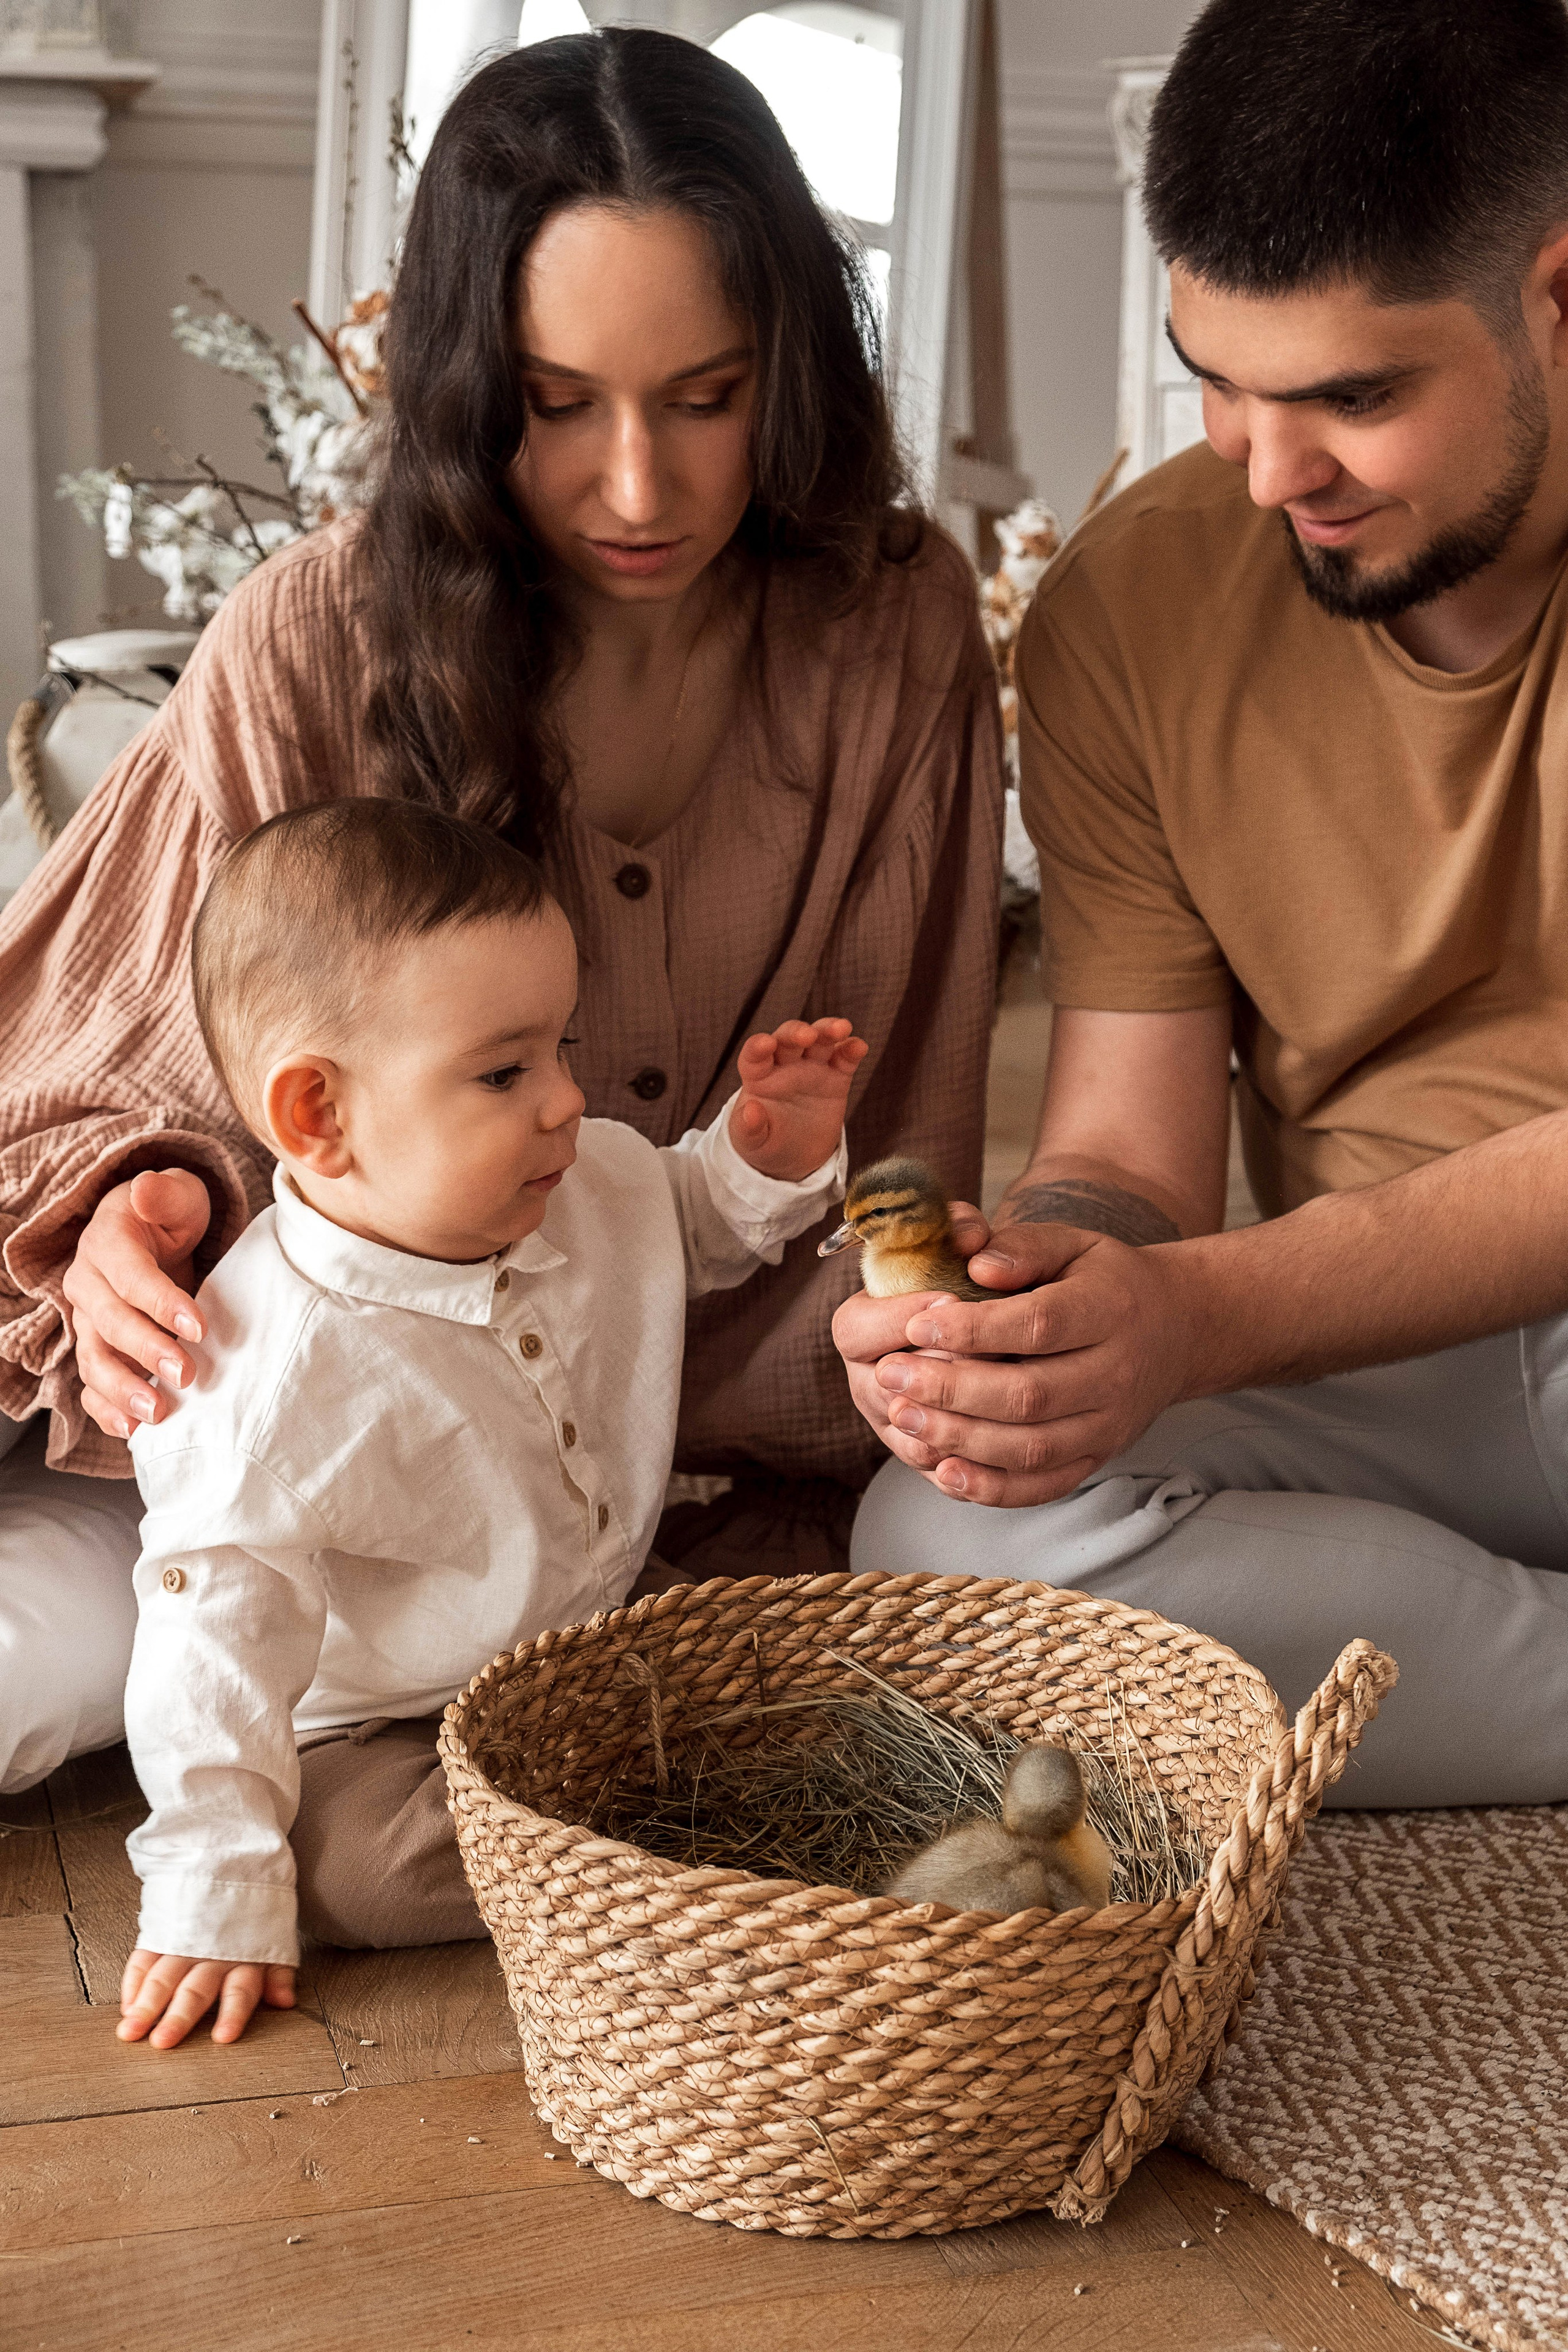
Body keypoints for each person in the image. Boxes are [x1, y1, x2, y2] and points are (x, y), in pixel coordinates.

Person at [0, 29, 1001, 1793]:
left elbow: (904, 1109)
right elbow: (94, 1067)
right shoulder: (312, 638)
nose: (641, 487)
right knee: (65, 1668)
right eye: (559, 405)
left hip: (755, 1474)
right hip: (330, 1462)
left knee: (969, 1594)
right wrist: (127, 1211)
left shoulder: (893, 625)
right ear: (471, 383)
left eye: (709, 397)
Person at [841, 0, 1568, 1809]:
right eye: (1217, 378)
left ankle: (1435, 1679)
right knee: (940, 1536)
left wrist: (1206, 1314)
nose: (1267, 470)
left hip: (1348, 1315)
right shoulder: (1133, 604)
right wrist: (1055, 1303)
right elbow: (1132, 1154)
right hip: (1389, 1361)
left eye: (1352, 395)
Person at [117, 797, 863, 2048]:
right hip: (384, 1722)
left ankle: (662, 1817)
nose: (566, 1101)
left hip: (596, 1622)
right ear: (318, 1118)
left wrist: (761, 1163)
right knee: (351, 1870)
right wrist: (212, 1889)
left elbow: (684, 1222)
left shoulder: (584, 1179)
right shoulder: (259, 1377)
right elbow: (213, 1655)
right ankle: (651, 1859)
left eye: (561, 1049)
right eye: (505, 1072)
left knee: (777, 1660)